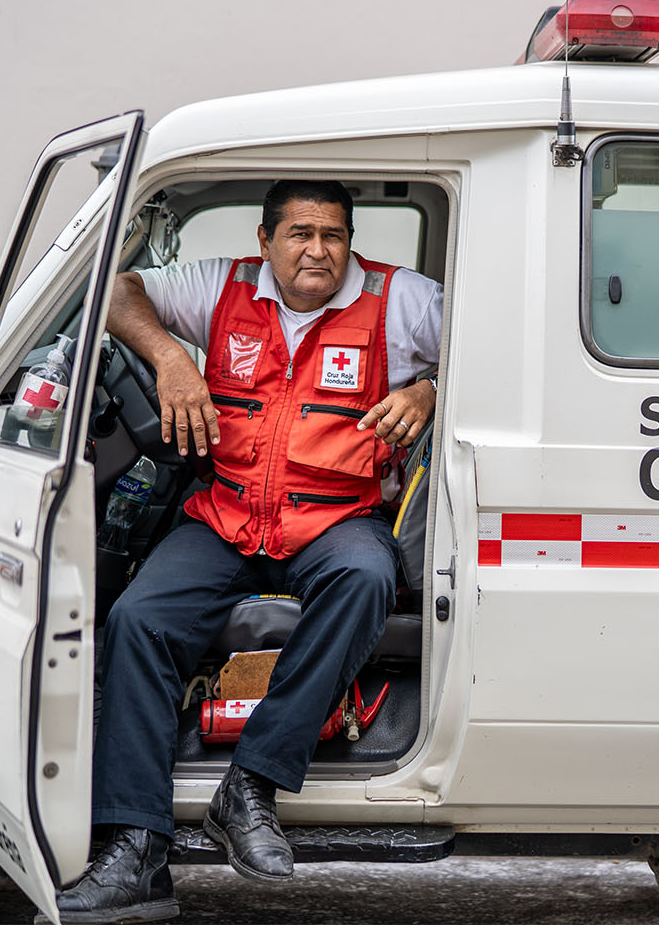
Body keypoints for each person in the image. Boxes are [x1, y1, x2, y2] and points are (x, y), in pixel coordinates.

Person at [51, 180, 442, 923]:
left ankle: (251, 786)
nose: (317, 250)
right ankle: (134, 847)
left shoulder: (402, 302)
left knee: (366, 577)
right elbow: (114, 289)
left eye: (332, 234)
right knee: (137, 618)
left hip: (335, 518)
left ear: (349, 241)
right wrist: (170, 357)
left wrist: (429, 387)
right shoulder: (220, 287)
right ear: (266, 242)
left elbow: (498, 340)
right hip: (225, 517)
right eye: (299, 233)